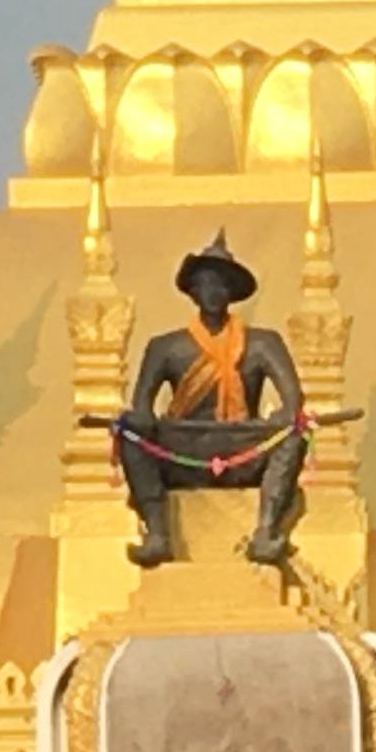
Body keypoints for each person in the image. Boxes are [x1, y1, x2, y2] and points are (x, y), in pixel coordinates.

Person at [115, 232, 310, 565]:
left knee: (295, 434)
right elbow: (142, 406)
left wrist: (286, 416)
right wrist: (139, 420)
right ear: (193, 291)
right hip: (183, 447)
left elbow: (293, 400)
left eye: (222, 285)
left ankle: (266, 531)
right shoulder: (165, 347)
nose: (214, 293)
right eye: (206, 284)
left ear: (232, 294)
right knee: (131, 433)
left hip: (243, 446)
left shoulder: (263, 343)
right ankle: (157, 533)